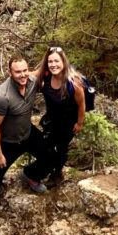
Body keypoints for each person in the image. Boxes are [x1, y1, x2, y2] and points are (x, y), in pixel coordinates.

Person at [0, 55, 50, 217]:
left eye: (25, 70)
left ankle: (30, 175)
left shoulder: (32, 82)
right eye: (18, 72)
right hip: (7, 141)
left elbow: (43, 70)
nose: (23, 75)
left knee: (49, 154)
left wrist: (57, 59)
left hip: (27, 133)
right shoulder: (2, 97)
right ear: (10, 73)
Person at [25, 44, 85, 186]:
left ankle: (56, 174)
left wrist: (80, 123)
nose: (53, 65)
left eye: (56, 61)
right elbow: (29, 75)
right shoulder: (45, 75)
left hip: (67, 124)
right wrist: (18, 75)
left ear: (63, 62)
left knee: (61, 149)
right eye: (50, 62)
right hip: (51, 120)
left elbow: (82, 104)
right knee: (47, 147)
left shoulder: (73, 83)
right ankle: (39, 171)